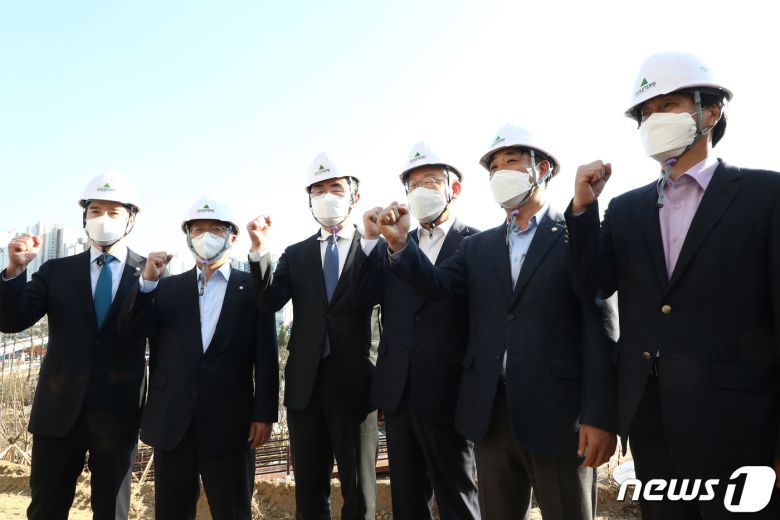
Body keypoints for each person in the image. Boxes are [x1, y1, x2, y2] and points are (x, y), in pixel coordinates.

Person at [566, 51, 780, 519]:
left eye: (667, 106)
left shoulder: (766, 195)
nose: (653, 119)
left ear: (711, 112)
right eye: (645, 113)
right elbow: (592, 284)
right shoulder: (626, 209)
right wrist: (583, 211)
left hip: (741, 426)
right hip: (651, 420)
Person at [376, 125, 618, 520]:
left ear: (542, 169)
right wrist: (400, 244)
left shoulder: (573, 234)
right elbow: (435, 285)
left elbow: (600, 325)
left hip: (558, 417)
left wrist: (600, 415)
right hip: (491, 418)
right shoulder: (478, 247)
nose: (500, 172)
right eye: (493, 167)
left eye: (512, 161)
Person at [120, 196, 279, 519]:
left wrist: (264, 413)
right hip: (173, 420)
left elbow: (266, 355)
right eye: (197, 230)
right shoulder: (167, 288)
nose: (206, 236)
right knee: (171, 511)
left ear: (232, 237)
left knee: (233, 510)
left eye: (216, 230)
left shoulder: (252, 288)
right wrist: (148, 282)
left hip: (231, 423)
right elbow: (131, 330)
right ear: (188, 237)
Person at [0, 172, 147, 520]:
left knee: (111, 512)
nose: (103, 218)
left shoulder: (149, 275)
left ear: (131, 218)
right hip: (57, 412)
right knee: (46, 509)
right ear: (84, 216)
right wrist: (14, 271)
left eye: (113, 211)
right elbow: (12, 321)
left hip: (118, 416)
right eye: (95, 210)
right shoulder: (56, 271)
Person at [247, 153, 377, 519]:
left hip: (357, 388)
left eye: (335, 188)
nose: (327, 196)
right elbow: (268, 301)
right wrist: (259, 250)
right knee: (309, 493)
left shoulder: (373, 246)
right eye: (318, 190)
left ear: (354, 196)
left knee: (360, 494)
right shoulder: (296, 254)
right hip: (306, 389)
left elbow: (380, 298)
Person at [354, 141, 480, 519]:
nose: (420, 189)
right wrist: (369, 240)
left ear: (453, 188)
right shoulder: (390, 246)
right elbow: (361, 297)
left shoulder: (475, 243)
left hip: (449, 396)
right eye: (412, 184)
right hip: (399, 395)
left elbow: (446, 294)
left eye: (430, 181)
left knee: (458, 500)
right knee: (408, 504)